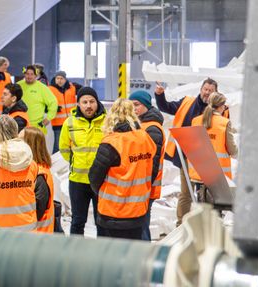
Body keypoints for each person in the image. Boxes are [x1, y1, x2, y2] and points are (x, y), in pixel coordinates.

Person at [154, 78, 225, 225]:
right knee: (186, 193)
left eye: (211, 91)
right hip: (186, 158)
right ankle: (181, 225)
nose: (207, 93)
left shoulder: (220, 110)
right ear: (201, 89)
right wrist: (160, 95)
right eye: (205, 89)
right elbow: (166, 107)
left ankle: (206, 226)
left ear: (215, 93)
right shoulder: (187, 103)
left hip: (208, 160)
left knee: (207, 194)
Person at [88, 98, 156, 240]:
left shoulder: (112, 143)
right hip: (138, 211)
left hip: (113, 213)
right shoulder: (145, 138)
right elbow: (153, 169)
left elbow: (94, 177)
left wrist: (103, 193)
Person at [59, 86, 107, 236]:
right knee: (78, 221)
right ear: (78, 104)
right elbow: (64, 148)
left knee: (102, 222)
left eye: (92, 101)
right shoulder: (70, 123)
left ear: (97, 103)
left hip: (102, 181)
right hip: (78, 181)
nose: (88, 105)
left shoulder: (107, 122)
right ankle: (75, 250)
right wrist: (76, 162)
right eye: (84, 102)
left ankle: (103, 249)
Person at [129, 90, 166, 241]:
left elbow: (152, 163)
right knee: (139, 226)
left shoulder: (152, 128)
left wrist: (143, 186)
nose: (133, 109)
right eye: (131, 105)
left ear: (146, 105)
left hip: (145, 187)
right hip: (139, 186)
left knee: (142, 227)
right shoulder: (140, 125)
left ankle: (144, 253)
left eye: (136, 105)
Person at [189, 92, 238, 203]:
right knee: (215, 210)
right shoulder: (224, 123)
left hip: (199, 173)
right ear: (221, 106)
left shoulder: (196, 121)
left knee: (202, 207)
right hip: (217, 176)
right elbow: (232, 150)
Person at [20, 126, 55, 233]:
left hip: (38, 236)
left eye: (19, 140)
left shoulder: (40, 175)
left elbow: (37, 212)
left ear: (30, 145)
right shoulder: (36, 169)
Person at [17, 65, 58, 136]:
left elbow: (53, 102)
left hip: (37, 126)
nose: (29, 76)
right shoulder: (18, 85)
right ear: (24, 74)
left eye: (32, 74)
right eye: (27, 74)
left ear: (36, 75)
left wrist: (49, 118)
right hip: (20, 125)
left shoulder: (42, 88)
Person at [48, 71, 80, 154]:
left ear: (65, 79)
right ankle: (54, 161)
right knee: (58, 145)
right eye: (57, 78)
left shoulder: (72, 88)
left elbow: (84, 92)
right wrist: (53, 108)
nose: (59, 80)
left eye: (61, 78)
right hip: (57, 123)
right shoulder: (50, 89)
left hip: (71, 121)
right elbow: (45, 104)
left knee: (71, 144)